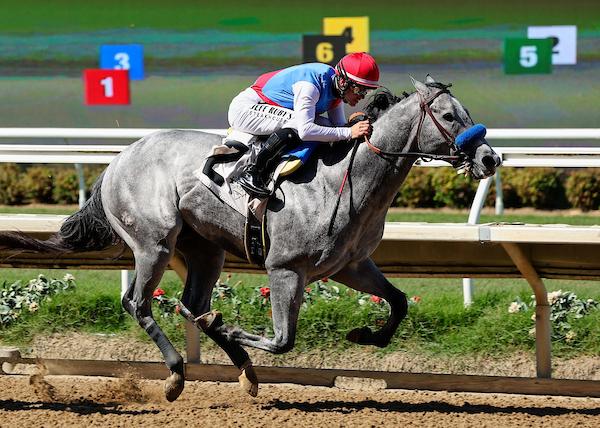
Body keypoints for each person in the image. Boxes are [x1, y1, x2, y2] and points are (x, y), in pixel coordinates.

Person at [227, 52, 380, 197]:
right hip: (246, 108)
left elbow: (338, 127)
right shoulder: (310, 86)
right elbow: (305, 131)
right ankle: (253, 172)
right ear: (343, 82)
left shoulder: (336, 90)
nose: (362, 96)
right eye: (359, 89)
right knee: (299, 123)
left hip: (266, 108)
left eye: (366, 91)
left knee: (325, 125)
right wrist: (349, 131)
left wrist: (354, 128)